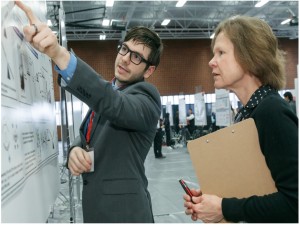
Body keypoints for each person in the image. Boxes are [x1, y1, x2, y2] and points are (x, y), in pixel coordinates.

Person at [15, 2, 164, 223]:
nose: (124, 58)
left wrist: (58, 53)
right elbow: (88, 135)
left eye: (136, 57)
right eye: (124, 49)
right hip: (97, 211)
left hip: (126, 215)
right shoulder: (111, 93)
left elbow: (114, 105)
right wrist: (76, 149)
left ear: (149, 70)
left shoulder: (147, 97)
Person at [183, 16, 298, 223]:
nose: (211, 61)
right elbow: (260, 187)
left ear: (250, 56)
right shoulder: (249, 113)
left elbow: (294, 203)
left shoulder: (271, 112)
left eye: (221, 53)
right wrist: (213, 201)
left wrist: (224, 208)